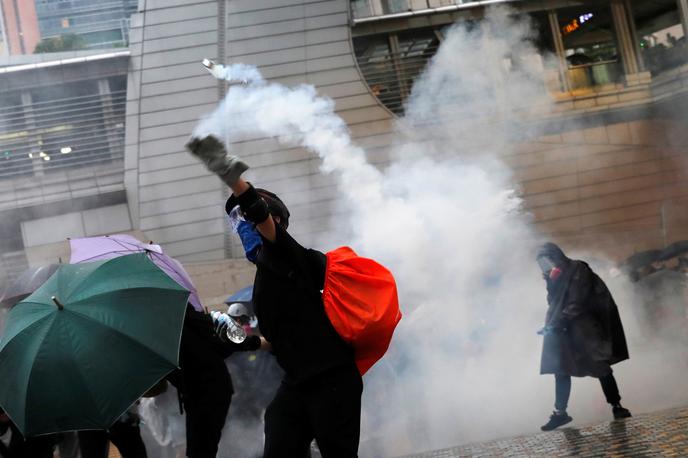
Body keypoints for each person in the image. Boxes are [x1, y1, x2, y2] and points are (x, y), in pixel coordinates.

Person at [186, 135, 362, 458]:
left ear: (274, 221)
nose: (242, 229)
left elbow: (259, 215)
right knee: (279, 433)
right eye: (236, 224)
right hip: (298, 382)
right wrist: (237, 337)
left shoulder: (285, 253)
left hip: (331, 380)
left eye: (245, 221)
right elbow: (276, 339)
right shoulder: (266, 275)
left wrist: (231, 177)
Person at [536, 243, 632, 431]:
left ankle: (617, 406)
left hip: (583, 327)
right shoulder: (556, 274)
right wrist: (550, 282)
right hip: (562, 328)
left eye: (546, 260)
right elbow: (553, 301)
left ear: (556, 256)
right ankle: (560, 413)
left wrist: (558, 322)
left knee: (599, 365)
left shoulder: (578, 268)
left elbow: (577, 300)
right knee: (561, 368)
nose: (545, 265)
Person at [167, 305, 262, 458]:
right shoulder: (153, 328)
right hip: (194, 392)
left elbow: (219, 332)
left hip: (209, 389)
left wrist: (254, 343)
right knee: (199, 450)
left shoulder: (178, 312)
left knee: (202, 450)